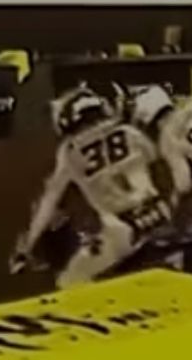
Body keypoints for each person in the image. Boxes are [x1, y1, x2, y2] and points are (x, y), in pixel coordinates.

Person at [10, 85, 173, 289]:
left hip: (122, 229)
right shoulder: (130, 133)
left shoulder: (70, 150)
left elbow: (49, 199)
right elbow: (162, 171)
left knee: (69, 280)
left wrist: (27, 246)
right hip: (159, 215)